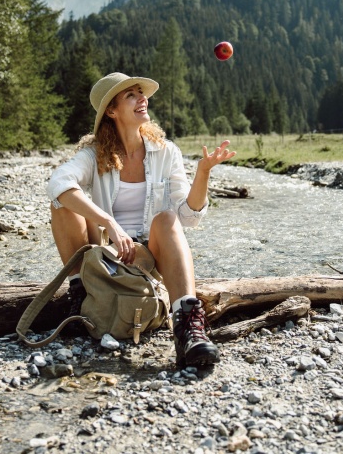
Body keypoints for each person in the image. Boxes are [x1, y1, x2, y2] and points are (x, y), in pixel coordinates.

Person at [46, 72, 236, 368]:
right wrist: (108, 222)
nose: (142, 98)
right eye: (131, 95)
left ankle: (188, 328)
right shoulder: (94, 154)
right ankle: (80, 293)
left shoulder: (166, 152)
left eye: (141, 93)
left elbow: (188, 217)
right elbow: (58, 182)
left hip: (149, 257)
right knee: (61, 203)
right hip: (104, 255)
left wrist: (202, 174)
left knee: (167, 219)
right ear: (112, 110)